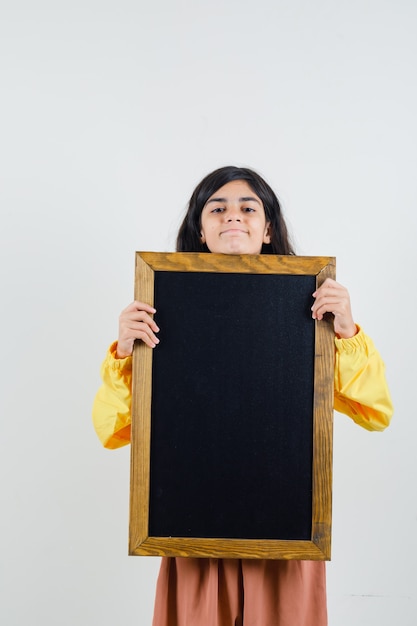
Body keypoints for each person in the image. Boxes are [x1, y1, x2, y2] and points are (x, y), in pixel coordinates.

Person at [92, 166, 393, 626]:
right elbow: (114, 430)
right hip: (192, 528)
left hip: (286, 531)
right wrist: (126, 353)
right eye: (217, 208)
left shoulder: (311, 305)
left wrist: (346, 332)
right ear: (200, 226)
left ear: (268, 226)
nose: (233, 216)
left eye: (248, 207)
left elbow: (375, 413)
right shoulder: (161, 310)